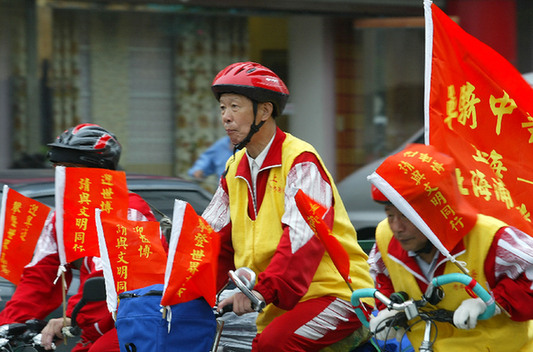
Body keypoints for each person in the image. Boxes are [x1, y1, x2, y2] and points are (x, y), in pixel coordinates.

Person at [202, 61, 375, 351]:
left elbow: (302, 239)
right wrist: (177, 287)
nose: (226, 118)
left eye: (235, 106)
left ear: (265, 111)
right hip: (278, 303)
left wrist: (261, 290)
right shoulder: (234, 169)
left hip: (339, 295)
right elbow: (210, 238)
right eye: (222, 108)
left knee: (272, 345)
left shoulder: (300, 161)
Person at [0, 123, 162, 352]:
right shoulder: (61, 217)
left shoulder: (129, 209)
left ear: (100, 172)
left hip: (140, 317)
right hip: (94, 324)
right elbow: (40, 275)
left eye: (71, 168)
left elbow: (110, 273)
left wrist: (70, 317)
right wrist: (8, 323)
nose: (63, 177)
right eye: (58, 168)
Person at [367, 143, 533, 351]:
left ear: (436, 211)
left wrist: (491, 302)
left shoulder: (490, 238)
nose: (397, 227)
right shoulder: (385, 236)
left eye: (406, 216)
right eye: (390, 215)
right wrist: (388, 312)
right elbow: (384, 280)